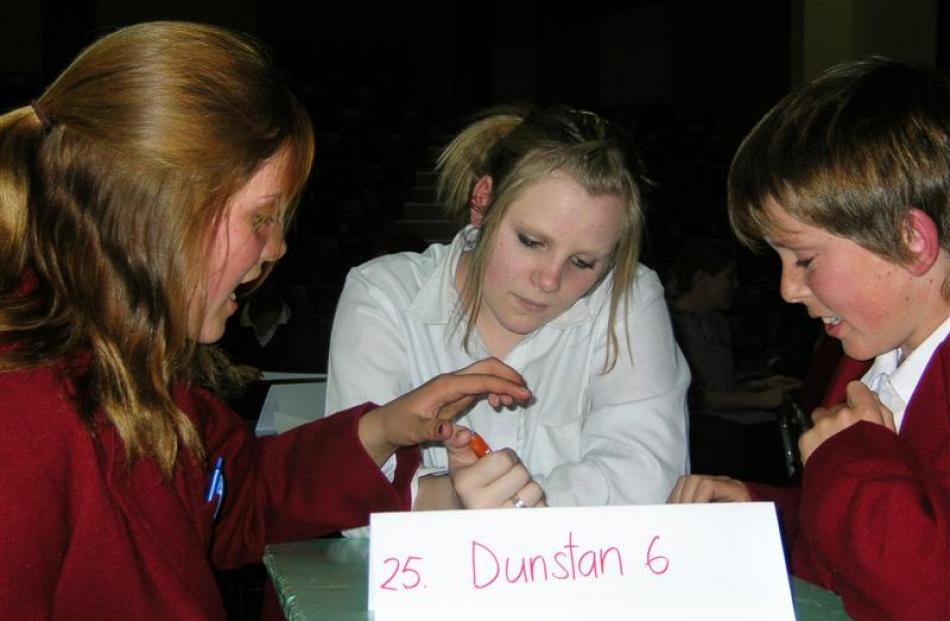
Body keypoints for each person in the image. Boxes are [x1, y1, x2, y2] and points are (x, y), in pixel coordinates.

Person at [0, 22, 532, 620]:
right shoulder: (20, 417)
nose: (276, 248)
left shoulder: (142, 375)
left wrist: (386, 428)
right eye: (261, 218)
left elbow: (237, 500)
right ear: (152, 214)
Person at [668, 57, 949, 620]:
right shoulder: (866, 363)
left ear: (911, 241)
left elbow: (929, 590)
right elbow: (853, 542)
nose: (789, 289)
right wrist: (760, 512)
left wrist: (850, 455)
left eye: (804, 259)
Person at [326, 104, 690, 509]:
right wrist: (468, 500)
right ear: (482, 201)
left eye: (583, 263)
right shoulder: (384, 294)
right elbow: (351, 501)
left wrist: (471, 505)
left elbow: (651, 479)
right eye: (531, 241)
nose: (549, 281)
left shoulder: (630, 296)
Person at [667, 236, 800, 413]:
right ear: (701, 279)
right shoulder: (669, 326)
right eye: (728, 277)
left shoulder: (718, 323)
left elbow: (722, 390)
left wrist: (762, 384)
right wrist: (760, 399)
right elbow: (692, 399)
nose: (735, 284)